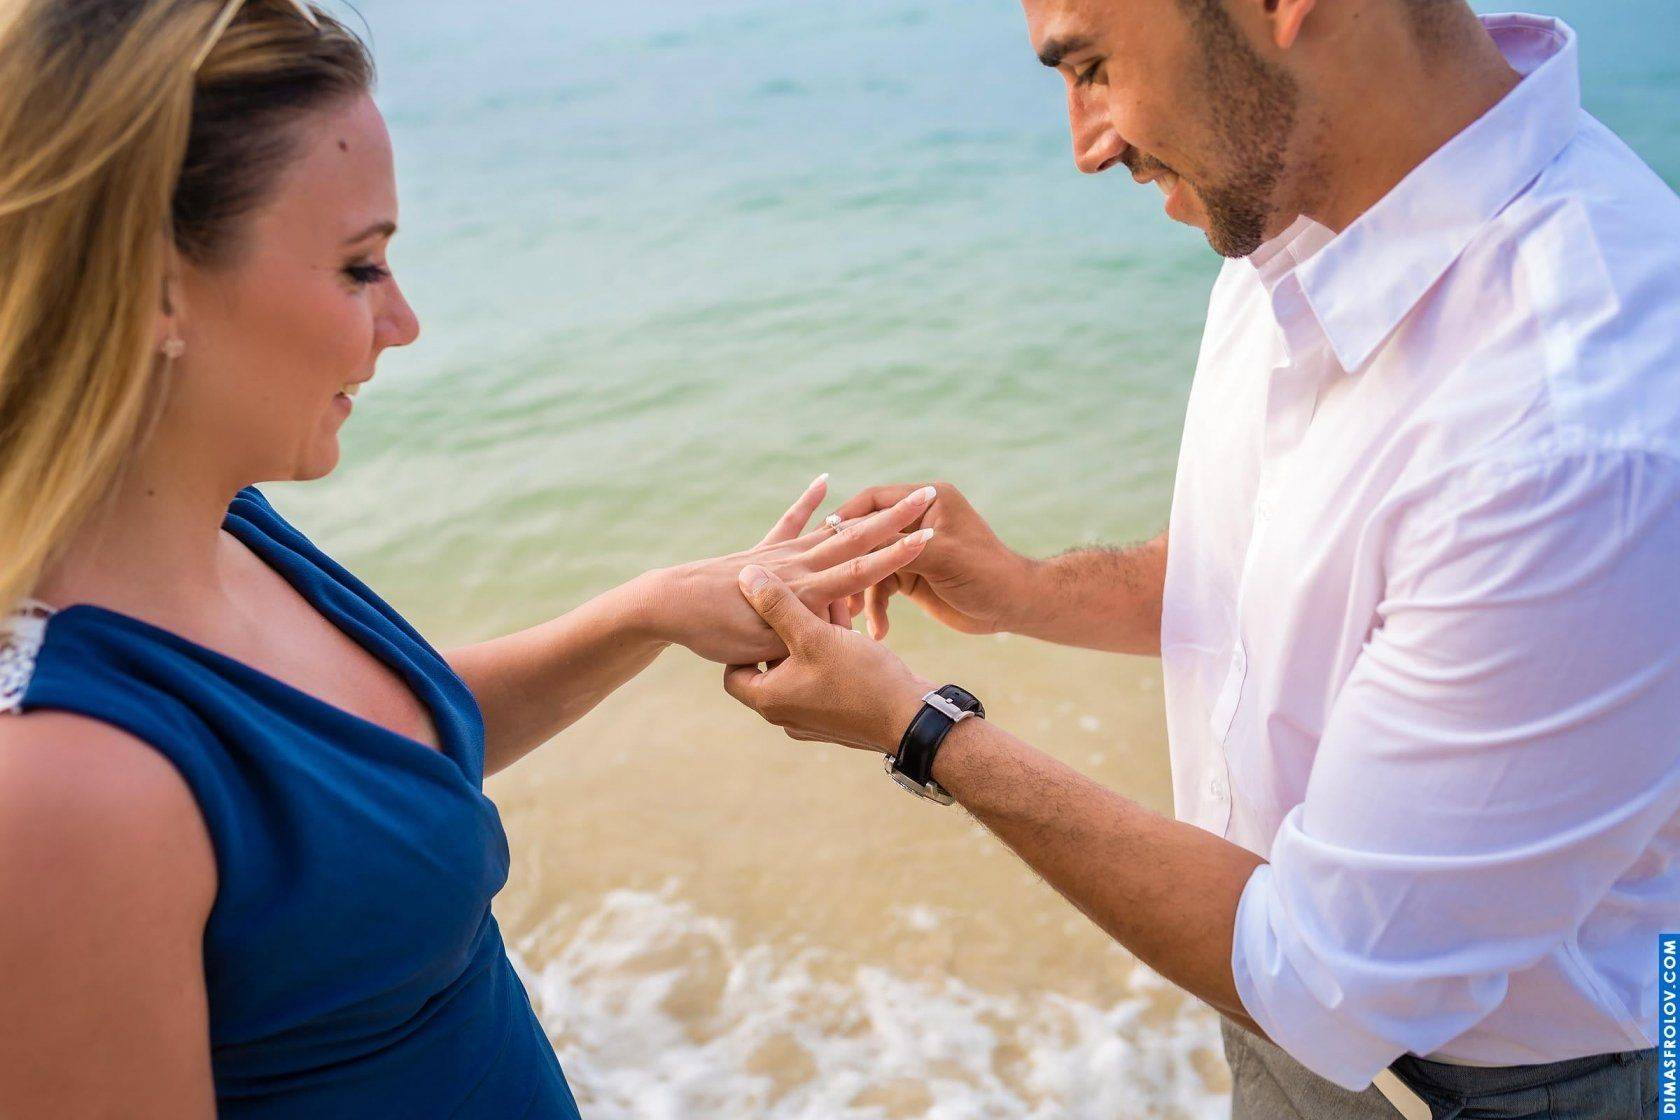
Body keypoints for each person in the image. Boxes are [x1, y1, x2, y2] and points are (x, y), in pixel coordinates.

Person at [723, 1, 1680, 1116]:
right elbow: (1277, 577)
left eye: (1092, 66)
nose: (1086, 146)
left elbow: (1327, 975)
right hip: (1277, 1005)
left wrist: (922, 730)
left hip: (1523, 1086)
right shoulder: (1300, 208)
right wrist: (1023, 590)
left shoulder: (1578, 432)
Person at [0, 2, 938, 1116]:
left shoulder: (222, 523)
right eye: (360, 267)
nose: (403, 321)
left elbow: (359, 766)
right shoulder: (62, 787)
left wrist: (650, 611)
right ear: (156, 285)